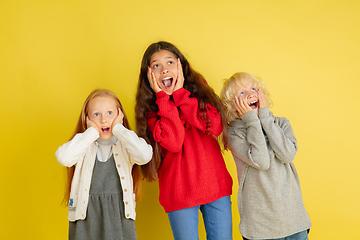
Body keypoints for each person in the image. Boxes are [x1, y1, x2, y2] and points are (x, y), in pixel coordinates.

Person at [135, 41, 233, 240]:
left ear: (181, 65)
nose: (164, 70)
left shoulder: (199, 93)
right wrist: (164, 99)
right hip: (179, 193)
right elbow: (173, 143)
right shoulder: (151, 111)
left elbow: (215, 126)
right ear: (148, 74)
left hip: (215, 185)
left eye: (170, 62)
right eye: (156, 65)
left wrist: (180, 94)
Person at [220, 72, 312, 240]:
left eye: (254, 88)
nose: (250, 94)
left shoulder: (281, 123)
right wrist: (252, 121)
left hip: (294, 220)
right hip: (260, 227)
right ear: (231, 105)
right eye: (241, 93)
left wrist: (266, 119)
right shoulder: (234, 134)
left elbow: (287, 154)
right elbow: (262, 161)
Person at [56, 89, 153, 240]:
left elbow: (144, 155)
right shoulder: (84, 145)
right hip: (86, 217)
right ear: (87, 118)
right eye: (96, 115)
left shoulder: (125, 145)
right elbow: (64, 157)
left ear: (120, 115)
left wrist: (119, 129)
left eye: (109, 113)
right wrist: (91, 133)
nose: (103, 120)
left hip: (119, 216)